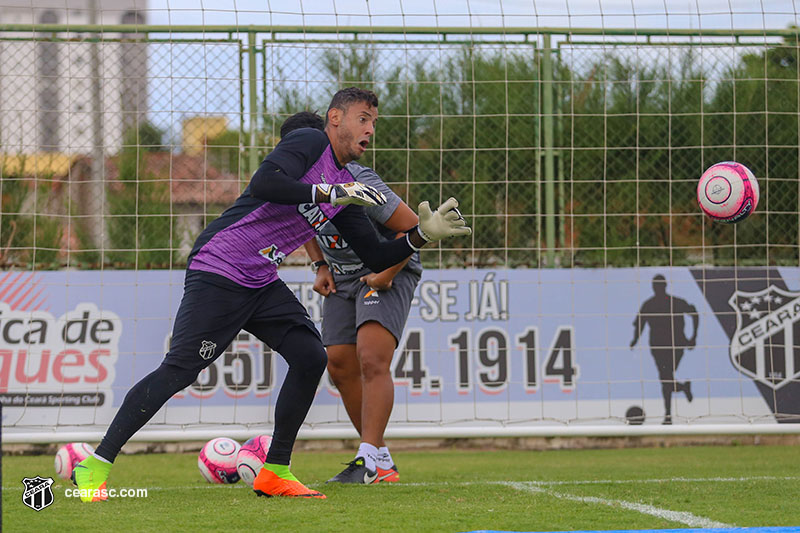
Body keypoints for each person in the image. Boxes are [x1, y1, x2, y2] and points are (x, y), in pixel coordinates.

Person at [72, 87, 471, 502]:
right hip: (221, 267)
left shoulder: (349, 188)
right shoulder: (310, 142)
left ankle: (275, 471)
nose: (370, 129)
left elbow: (375, 253)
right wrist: (327, 193)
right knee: (180, 370)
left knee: (311, 356)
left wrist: (421, 235)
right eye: (363, 118)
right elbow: (265, 182)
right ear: (335, 119)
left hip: (260, 278)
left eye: (374, 121)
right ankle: (95, 464)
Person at [282, 111, 418, 484]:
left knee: (371, 357)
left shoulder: (356, 179)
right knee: (339, 362)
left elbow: (411, 228)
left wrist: (387, 273)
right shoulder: (295, 183)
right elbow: (303, 221)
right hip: (341, 276)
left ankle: (368, 459)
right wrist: (320, 265)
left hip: (387, 269)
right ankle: (381, 460)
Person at [630, 274, 699, 424]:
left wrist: (694, 336)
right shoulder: (649, 304)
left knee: (665, 378)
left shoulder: (675, 302)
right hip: (658, 347)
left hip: (676, 345)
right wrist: (635, 340)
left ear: (664, 286)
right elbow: (640, 323)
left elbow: (694, 313)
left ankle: (668, 415)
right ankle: (681, 390)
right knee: (666, 378)